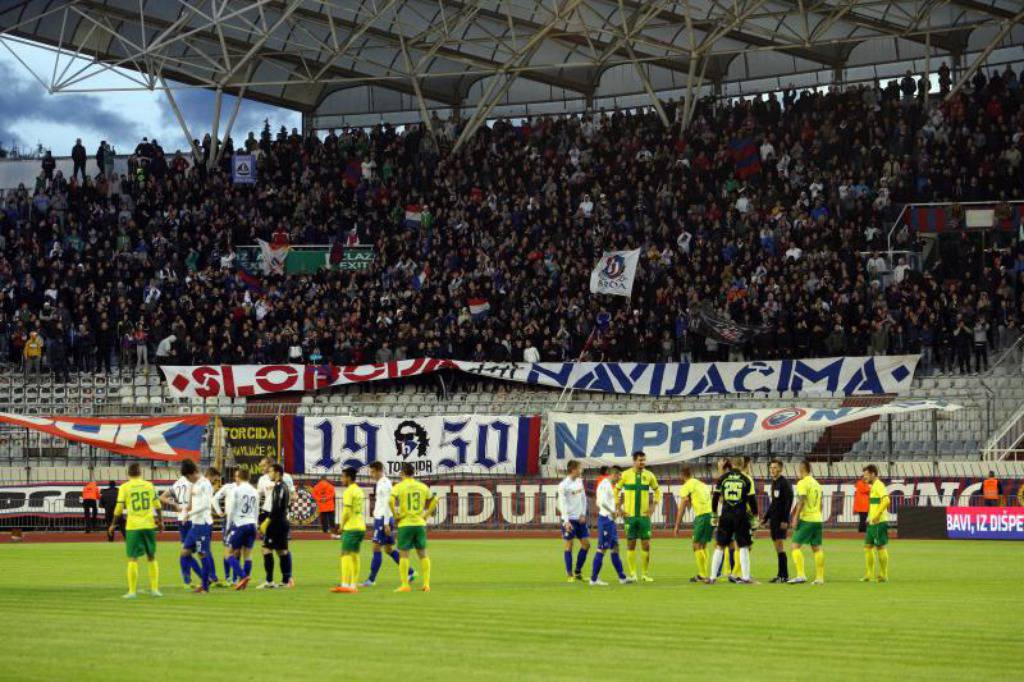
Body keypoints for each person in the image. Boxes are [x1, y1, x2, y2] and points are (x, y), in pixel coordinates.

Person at [108, 462, 162, 598]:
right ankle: (155, 589)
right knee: (151, 556)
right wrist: (160, 521)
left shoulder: (125, 487)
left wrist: (113, 524)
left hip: (133, 526)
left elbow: (119, 509)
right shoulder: (149, 485)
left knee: (133, 558)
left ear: (128, 474)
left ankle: (132, 591)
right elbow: (158, 505)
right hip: (149, 525)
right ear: (140, 473)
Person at [361, 461, 414, 587]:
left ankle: (371, 579)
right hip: (384, 518)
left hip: (383, 519)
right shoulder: (382, 483)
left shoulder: (384, 484)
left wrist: (385, 523)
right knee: (389, 549)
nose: (371, 474)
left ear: (379, 470)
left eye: (372, 471)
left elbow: (387, 503)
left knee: (376, 547)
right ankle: (410, 572)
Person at [390, 462, 438, 593]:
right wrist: (426, 515)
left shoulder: (399, 486)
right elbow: (435, 500)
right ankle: (426, 584)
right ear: (413, 473)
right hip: (419, 524)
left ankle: (405, 584)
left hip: (405, 524)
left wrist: (395, 515)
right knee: (423, 554)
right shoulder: (422, 486)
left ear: (403, 473)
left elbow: (390, 501)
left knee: (404, 554)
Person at [708, 459, 757, 585]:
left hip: (726, 515)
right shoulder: (746, 479)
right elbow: (752, 500)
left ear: (732, 464)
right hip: (741, 516)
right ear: (742, 465)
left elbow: (715, 498)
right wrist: (755, 516)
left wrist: (714, 514)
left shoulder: (723, 478)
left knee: (720, 545)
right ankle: (746, 578)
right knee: (743, 546)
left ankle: (712, 577)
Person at [615, 451, 661, 582]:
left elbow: (657, 491)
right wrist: (619, 508)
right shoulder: (625, 475)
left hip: (644, 517)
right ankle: (633, 573)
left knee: (646, 545)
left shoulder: (649, 475)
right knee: (631, 544)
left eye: (644, 460)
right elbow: (616, 490)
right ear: (634, 461)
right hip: (630, 516)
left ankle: (645, 574)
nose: (642, 463)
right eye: (640, 460)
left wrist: (653, 506)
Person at [160, 459, 202, 589]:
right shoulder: (194, 482)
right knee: (194, 551)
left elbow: (162, 497)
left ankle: (187, 581)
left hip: (181, 519)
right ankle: (204, 576)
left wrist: (175, 504)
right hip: (193, 518)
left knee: (185, 550)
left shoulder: (177, 483)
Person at [256, 456, 295, 586]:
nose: (266, 472)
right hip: (276, 517)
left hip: (275, 519)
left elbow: (279, 504)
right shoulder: (270, 482)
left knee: (267, 549)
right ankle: (285, 580)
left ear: (276, 471)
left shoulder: (281, 485)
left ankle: (270, 581)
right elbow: (259, 496)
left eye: (268, 470)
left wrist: (268, 520)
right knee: (281, 550)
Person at [181, 466, 218, 593]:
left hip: (202, 524)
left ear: (194, 473)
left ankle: (205, 587)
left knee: (202, 553)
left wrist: (189, 514)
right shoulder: (195, 484)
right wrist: (187, 511)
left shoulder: (205, 484)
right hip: (195, 524)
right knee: (185, 553)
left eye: (188, 476)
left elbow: (206, 505)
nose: (187, 479)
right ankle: (205, 579)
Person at [590, 466, 629, 586]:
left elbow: (610, 503)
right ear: (614, 474)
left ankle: (622, 577)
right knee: (602, 549)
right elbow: (599, 502)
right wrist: (612, 512)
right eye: (619, 476)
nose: (620, 478)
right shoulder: (604, 485)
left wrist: (620, 511)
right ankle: (594, 579)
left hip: (610, 521)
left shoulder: (611, 486)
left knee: (615, 547)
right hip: (606, 520)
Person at [673, 465, 713, 583]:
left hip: (702, 516)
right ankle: (704, 574)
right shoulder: (702, 484)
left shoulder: (687, 486)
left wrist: (677, 525)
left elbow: (682, 507)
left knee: (696, 545)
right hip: (711, 515)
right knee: (703, 545)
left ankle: (703, 575)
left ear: (682, 475)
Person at [222, 469, 259, 591]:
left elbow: (231, 510)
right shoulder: (255, 491)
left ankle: (243, 576)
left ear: (239, 478)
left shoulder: (236, 490)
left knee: (229, 554)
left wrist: (228, 528)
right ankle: (244, 583)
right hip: (252, 524)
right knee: (247, 555)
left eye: (236, 477)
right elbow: (256, 511)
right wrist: (256, 525)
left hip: (240, 524)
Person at [789, 460, 825, 585]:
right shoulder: (816, 483)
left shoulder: (802, 483)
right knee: (817, 548)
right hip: (818, 519)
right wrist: (818, 515)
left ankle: (800, 575)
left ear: (802, 469)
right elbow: (821, 504)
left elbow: (801, 501)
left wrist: (795, 517)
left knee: (795, 546)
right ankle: (819, 578)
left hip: (807, 519)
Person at [331, 467, 366, 594]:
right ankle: (353, 585)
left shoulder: (349, 491)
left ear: (349, 478)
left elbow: (346, 512)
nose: (341, 479)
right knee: (354, 555)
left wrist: (341, 526)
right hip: (360, 526)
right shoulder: (358, 490)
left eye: (343, 477)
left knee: (345, 554)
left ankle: (346, 584)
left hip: (351, 527)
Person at [556, 460, 590, 581]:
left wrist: (583, 514)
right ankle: (569, 574)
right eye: (579, 468)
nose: (581, 471)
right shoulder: (563, 485)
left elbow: (583, 499)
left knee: (586, 545)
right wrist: (566, 521)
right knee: (569, 546)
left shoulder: (579, 481)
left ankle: (578, 571)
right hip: (569, 520)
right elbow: (562, 503)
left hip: (580, 519)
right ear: (573, 469)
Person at [763, 458, 793, 583]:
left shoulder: (784, 483)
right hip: (774, 520)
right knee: (777, 547)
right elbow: (774, 503)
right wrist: (766, 518)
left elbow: (789, 501)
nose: (772, 470)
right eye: (771, 467)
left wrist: (785, 520)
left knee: (780, 546)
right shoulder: (774, 482)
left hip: (781, 520)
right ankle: (780, 574)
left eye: (775, 467)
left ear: (780, 468)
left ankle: (784, 576)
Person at [861, 465, 891, 583]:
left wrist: (877, 515)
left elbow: (887, 500)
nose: (865, 477)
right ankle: (869, 574)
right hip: (872, 522)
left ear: (873, 474)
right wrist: (870, 517)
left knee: (880, 547)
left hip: (879, 522)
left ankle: (884, 574)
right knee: (868, 547)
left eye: (866, 474)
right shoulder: (873, 486)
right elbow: (875, 504)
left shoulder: (879, 485)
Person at [211, 471, 238, 587]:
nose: (237, 478)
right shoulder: (228, 487)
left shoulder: (246, 488)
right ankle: (228, 577)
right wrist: (219, 512)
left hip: (240, 521)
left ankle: (235, 578)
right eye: (236, 475)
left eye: (239, 475)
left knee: (237, 550)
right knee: (228, 549)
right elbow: (214, 499)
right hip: (228, 520)